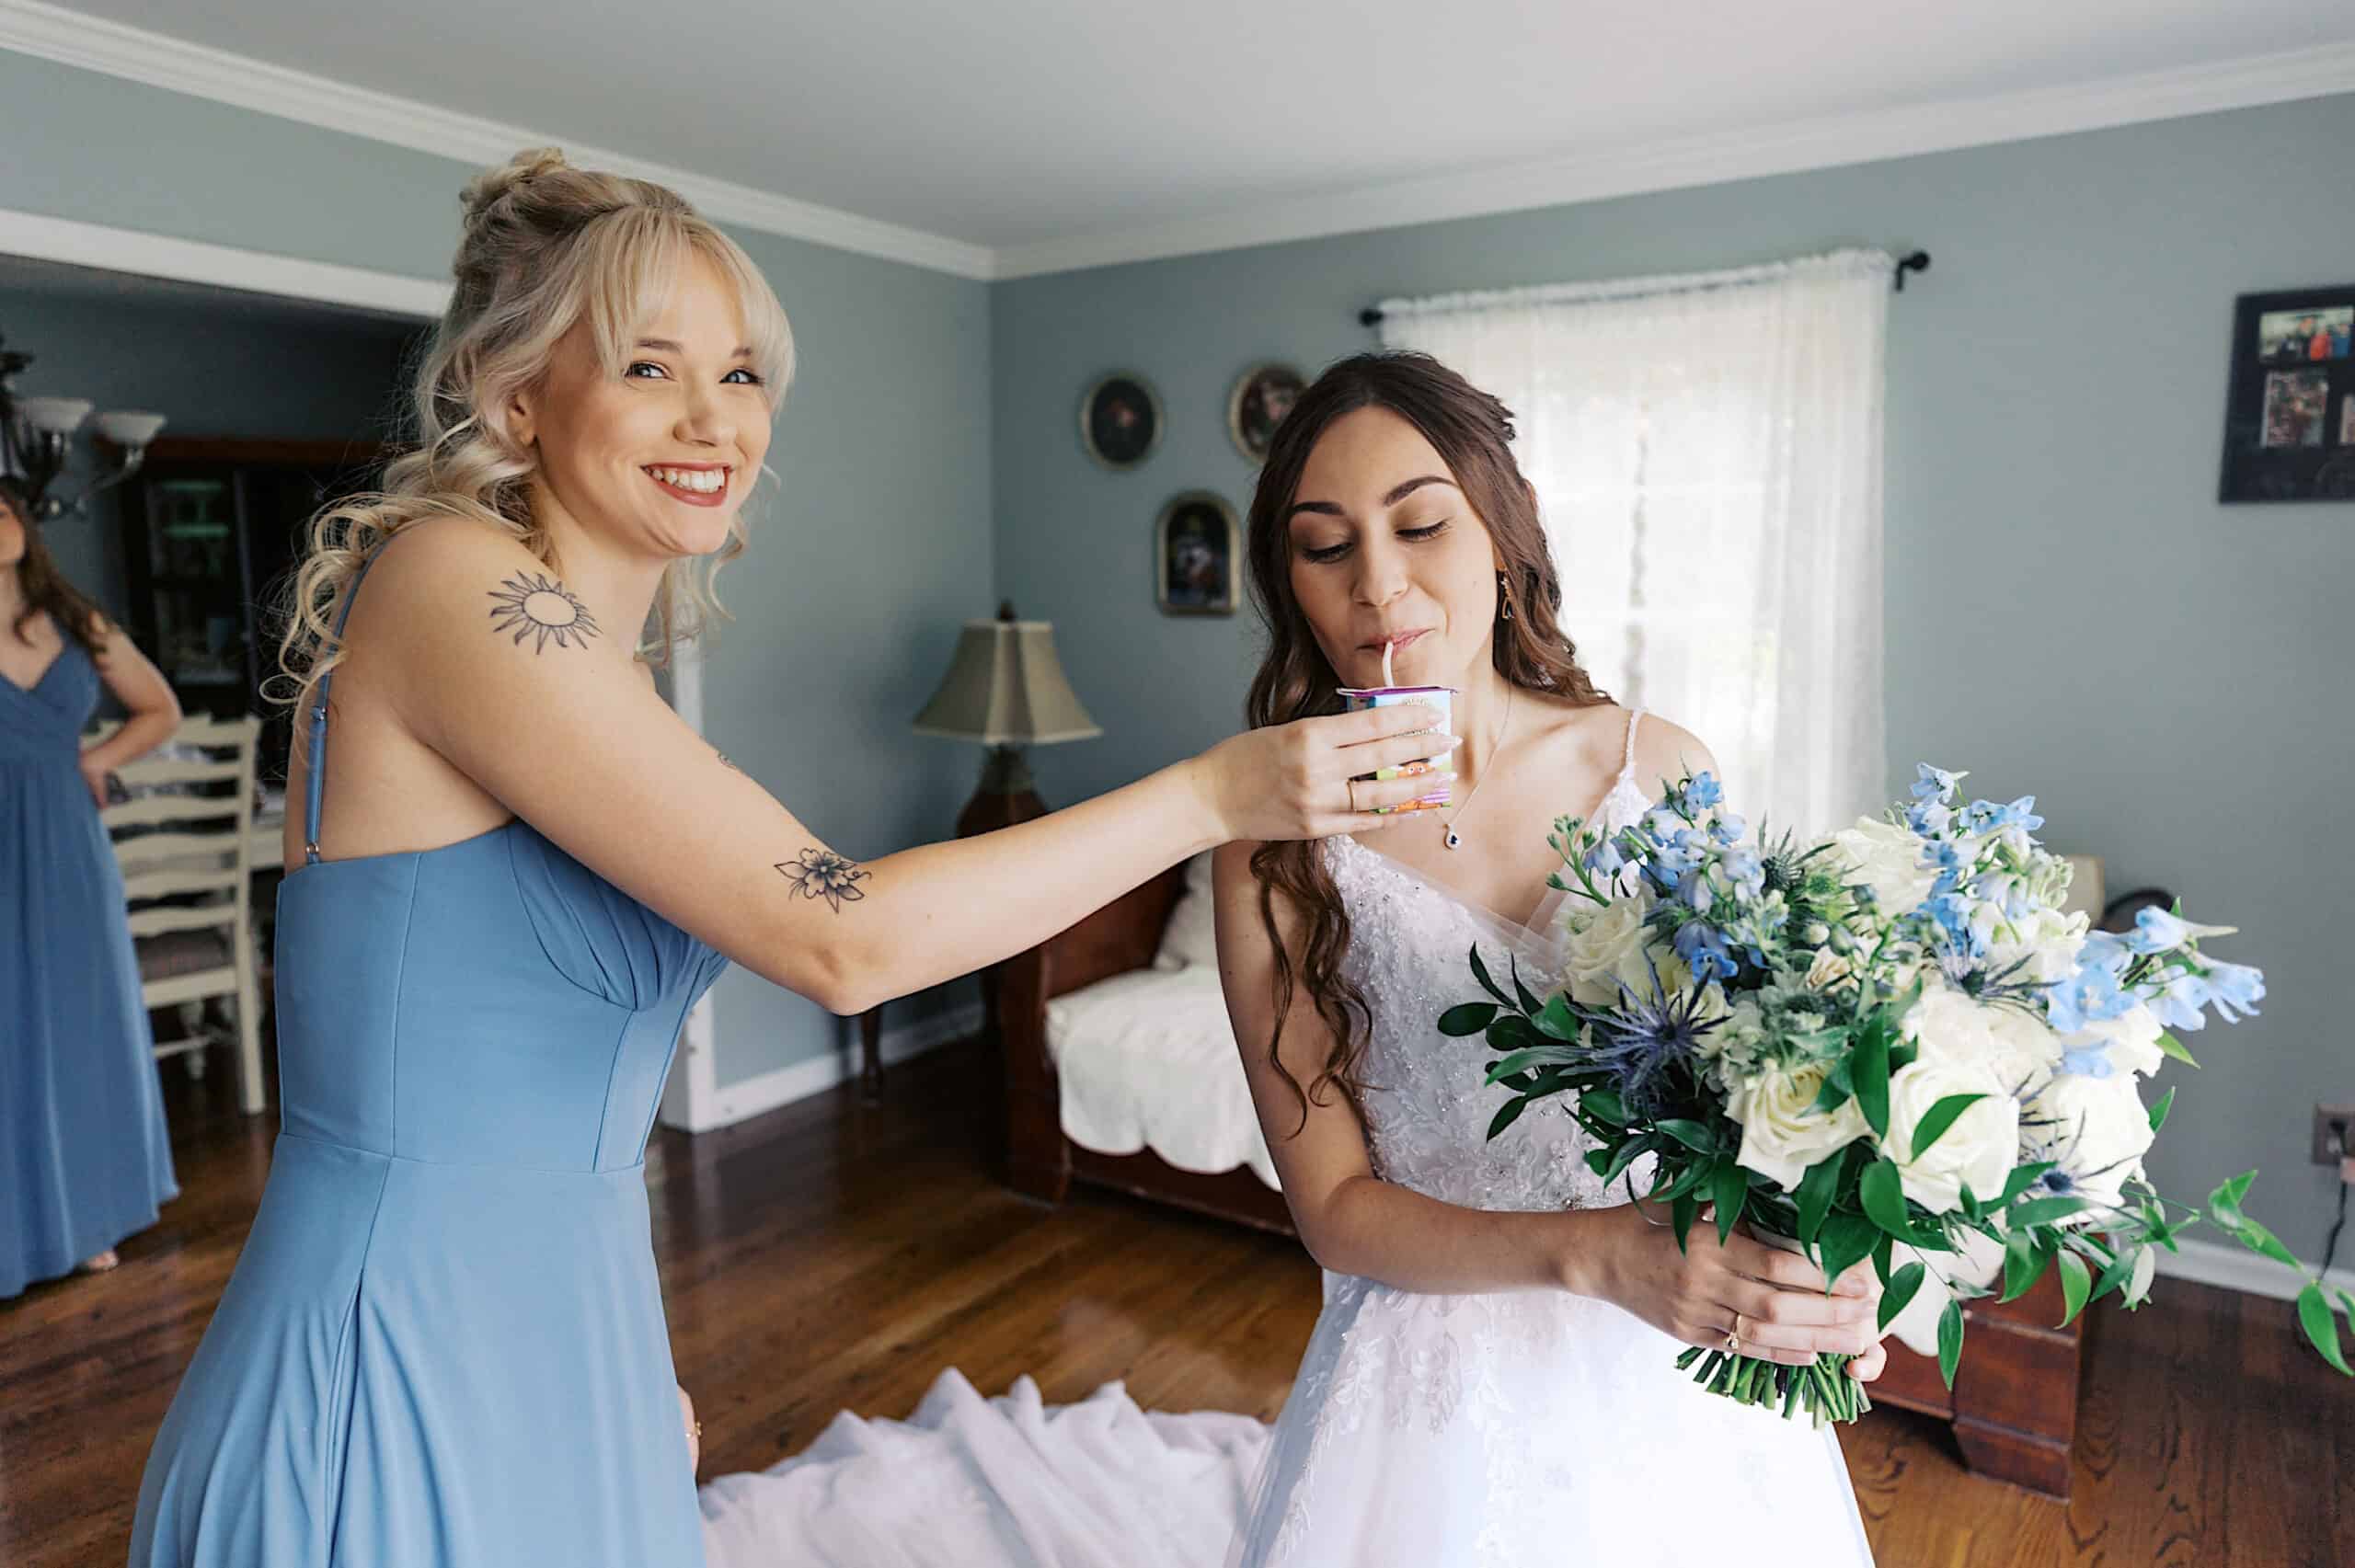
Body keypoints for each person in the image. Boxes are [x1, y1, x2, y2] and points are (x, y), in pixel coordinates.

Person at [127, 150, 1445, 1568]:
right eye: (650, 367)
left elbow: (551, 1103)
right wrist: (1219, 788)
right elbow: (846, 939)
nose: (715, 418)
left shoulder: (588, 663)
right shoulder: (451, 586)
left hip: (560, 1332)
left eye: (744, 374)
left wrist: (612, 1357)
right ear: (518, 399)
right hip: (389, 1360)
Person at [1213, 354, 1880, 1566]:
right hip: (1431, 1389)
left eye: (1421, 524)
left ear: (1503, 539)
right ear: (1290, 582)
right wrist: (1595, 1255)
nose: (1379, 584)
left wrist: (1823, 1265)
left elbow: (1762, 1090)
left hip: (1684, 1347)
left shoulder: (1660, 765)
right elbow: (1335, 1212)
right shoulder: (1270, 848)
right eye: (1325, 547)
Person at [0, 476, 183, 1298]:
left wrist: (94, 761)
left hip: (69, 846)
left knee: (81, 1023)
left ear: (24, 526)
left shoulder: (78, 621)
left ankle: (88, 1218)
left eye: (2, 510)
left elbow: (160, 709)